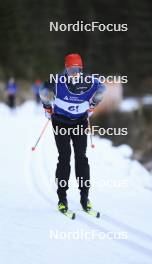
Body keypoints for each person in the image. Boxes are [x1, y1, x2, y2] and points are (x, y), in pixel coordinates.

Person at [39, 53, 105, 213]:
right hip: (60, 122)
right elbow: (43, 91)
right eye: (71, 70)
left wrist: (93, 104)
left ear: (81, 69)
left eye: (77, 69)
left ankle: (84, 197)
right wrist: (47, 108)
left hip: (80, 123)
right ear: (66, 69)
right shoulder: (57, 81)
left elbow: (102, 89)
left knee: (81, 158)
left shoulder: (90, 82)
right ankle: (62, 198)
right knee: (64, 157)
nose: (74, 73)